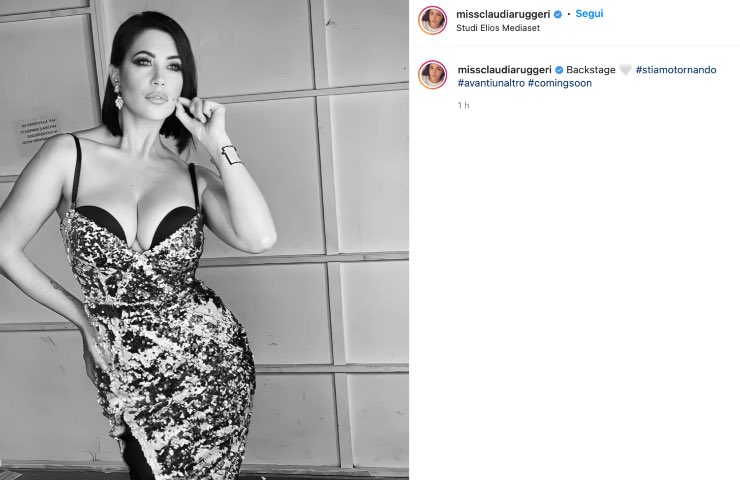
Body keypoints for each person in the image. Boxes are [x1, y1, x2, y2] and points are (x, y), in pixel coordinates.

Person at [0, 11, 276, 480]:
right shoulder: (68, 155)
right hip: (126, 361)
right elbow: (4, 247)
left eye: (174, 66)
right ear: (116, 76)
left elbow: (259, 238)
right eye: (145, 61)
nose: (159, 78)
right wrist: (82, 318)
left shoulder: (193, 178)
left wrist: (218, 144)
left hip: (210, 360)